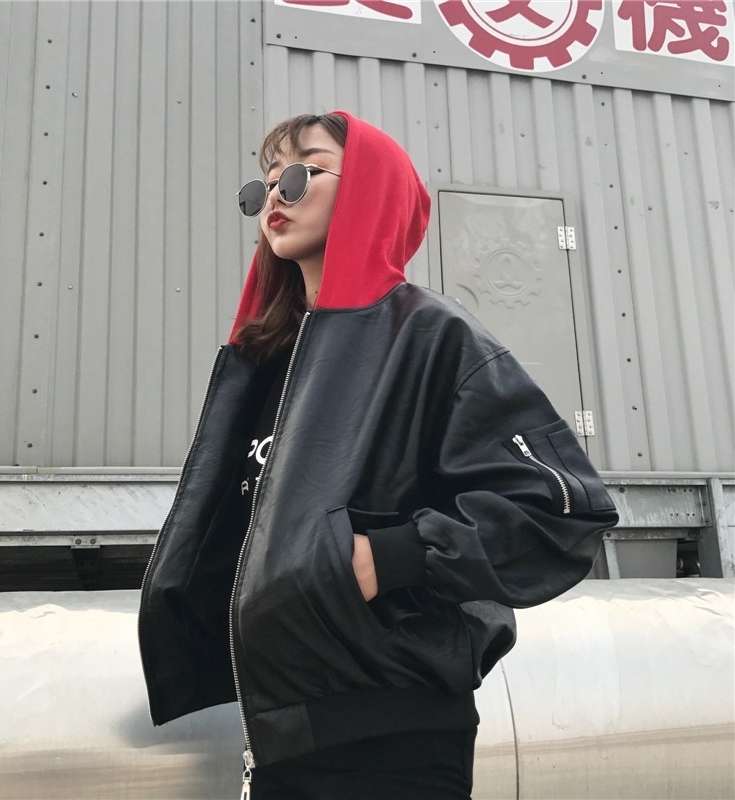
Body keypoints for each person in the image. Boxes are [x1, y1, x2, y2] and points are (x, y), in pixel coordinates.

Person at [138, 111, 619, 799]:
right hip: (280, 739)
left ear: (371, 186)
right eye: (263, 185)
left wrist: (386, 558)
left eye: (301, 173)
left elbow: (559, 509)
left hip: (392, 739)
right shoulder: (269, 359)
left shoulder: (430, 334)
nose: (274, 196)